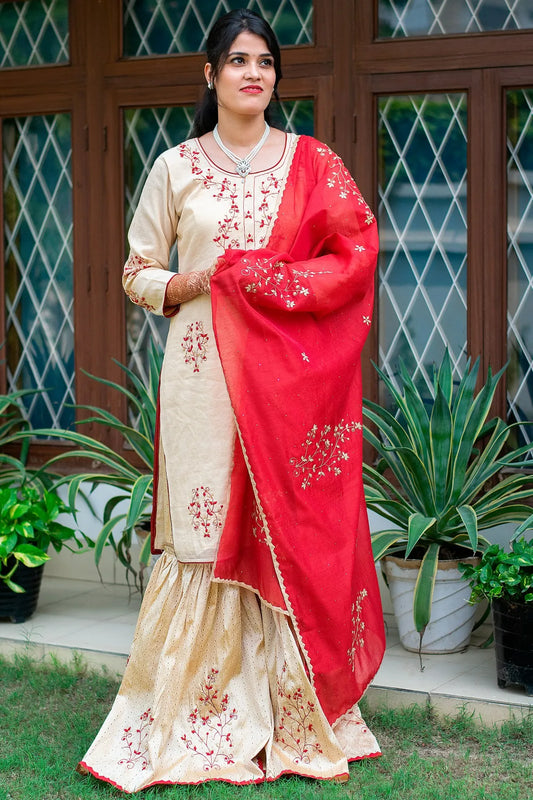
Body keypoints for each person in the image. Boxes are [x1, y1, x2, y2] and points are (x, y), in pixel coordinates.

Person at [78, 8, 385, 792]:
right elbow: (135, 271)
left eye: (266, 63)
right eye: (239, 61)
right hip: (200, 374)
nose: (255, 74)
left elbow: (352, 254)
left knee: (283, 525)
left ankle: (291, 710)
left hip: (289, 383)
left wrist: (270, 281)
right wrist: (195, 282)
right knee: (207, 538)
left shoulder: (311, 161)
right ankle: (202, 716)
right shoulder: (176, 166)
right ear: (209, 75)